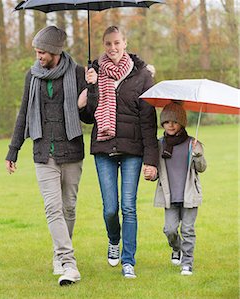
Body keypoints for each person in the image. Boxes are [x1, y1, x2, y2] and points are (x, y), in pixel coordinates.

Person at [5, 25, 88, 286]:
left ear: (55, 51)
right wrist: (13, 149)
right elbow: (23, 114)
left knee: (69, 208)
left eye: (42, 51)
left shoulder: (78, 74)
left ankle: (59, 253)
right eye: (37, 51)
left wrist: (92, 92)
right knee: (53, 208)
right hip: (43, 150)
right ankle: (68, 262)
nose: (39, 56)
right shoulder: (33, 76)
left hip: (71, 149)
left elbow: (89, 116)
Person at [78, 25, 158, 278]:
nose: (113, 48)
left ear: (125, 43)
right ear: (103, 45)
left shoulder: (143, 75)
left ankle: (128, 261)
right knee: (110, 208)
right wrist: (91, 87)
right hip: (103, 148)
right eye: (108, 44)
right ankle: (114, 240)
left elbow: (148, 120)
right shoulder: (94, 72)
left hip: (133, 149)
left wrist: (151, 160)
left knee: (129, 207)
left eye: (117, 43)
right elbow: (88, 117)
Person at [144, 102, 207, 276]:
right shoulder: (160, 145)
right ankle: (176, 248)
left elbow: (202, 168)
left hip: (189, 195)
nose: (170, 125)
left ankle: (187, 262)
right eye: (166, 121)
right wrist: (151, 174)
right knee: (169, 229)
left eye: (175, 121)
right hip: (169, 196)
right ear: (162, 123)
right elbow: (157, 171)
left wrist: (198, 154)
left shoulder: (192, 144)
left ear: (182, 123)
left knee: (187, 229)